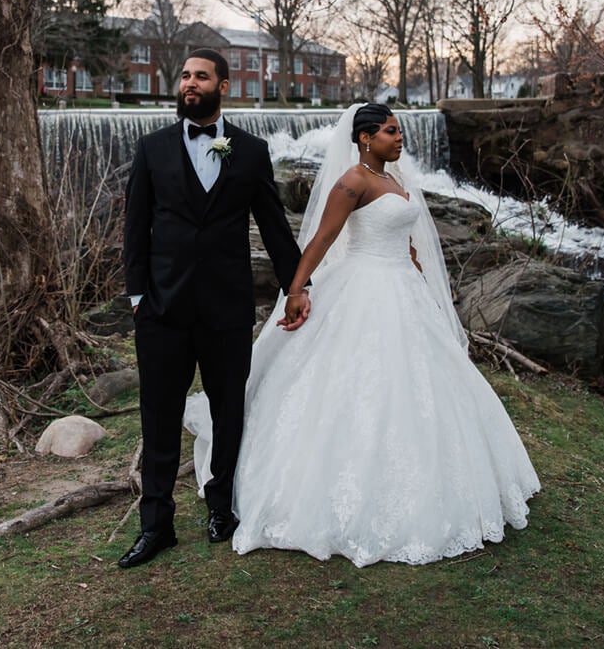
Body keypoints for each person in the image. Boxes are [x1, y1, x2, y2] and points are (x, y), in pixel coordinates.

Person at [185, 102, 540, 567]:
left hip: (403, 291)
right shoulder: (352, 181)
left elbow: (407, 240)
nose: (399, 139)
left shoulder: (395, 181)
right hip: (361, 287)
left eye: (399, 131)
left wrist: (422, 279)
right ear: (365, 138)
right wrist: (296, 289)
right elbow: (321, 240)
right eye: (391, 132)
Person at [118, 49, 309, 569]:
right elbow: (135, 229)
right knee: (158, 418)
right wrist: (138, 298)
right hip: (162, 310)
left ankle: (221, 507)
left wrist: (298, 285)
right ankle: (155, 526)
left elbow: (273, 226)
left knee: (229, 412)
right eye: (184, 76)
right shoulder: (152, 148)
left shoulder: (250, 151)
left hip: (227, 309)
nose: (189, 83)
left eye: (200, 76)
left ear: (223, 86)